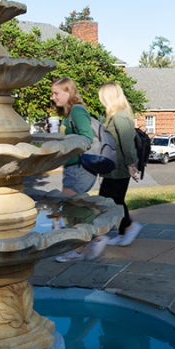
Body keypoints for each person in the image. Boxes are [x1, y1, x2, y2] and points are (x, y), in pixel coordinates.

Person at [51, 77, 108, 263]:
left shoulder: (77, 111)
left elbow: (86, 138)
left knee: (72, 206)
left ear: (68, 92)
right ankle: (81, 247)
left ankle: (96, 238)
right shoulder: (69, 114)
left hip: (80, 168)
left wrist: (66, 145)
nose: (53, 97)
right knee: (73, 208)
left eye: (56, 93)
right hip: (72, 167)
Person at [98, 81, 142, 246]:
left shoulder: (120, 117)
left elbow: (127, 145)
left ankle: (129, 227)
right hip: (113, 168)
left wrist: (131, 165)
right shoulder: (115, 116)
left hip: (119, 168)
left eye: (103, 97)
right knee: (114, 200)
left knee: (111, 201)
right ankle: (123, 233)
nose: (102, 100)